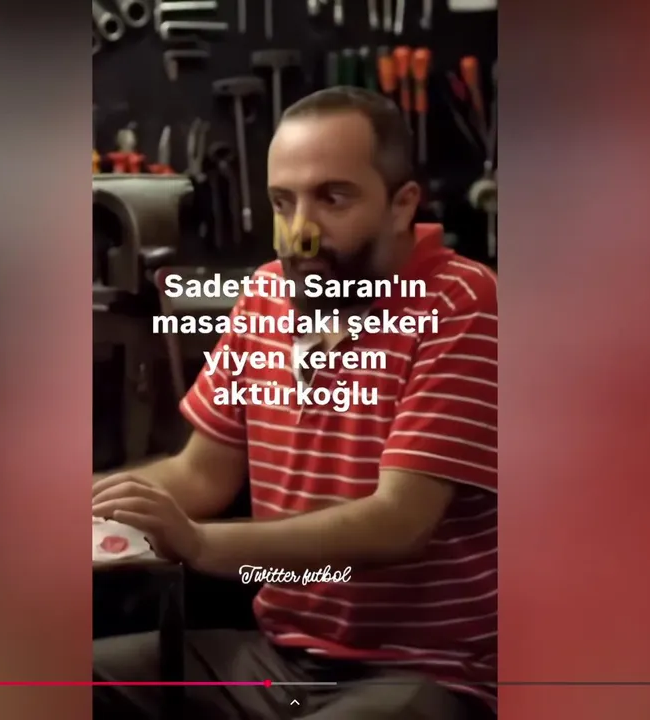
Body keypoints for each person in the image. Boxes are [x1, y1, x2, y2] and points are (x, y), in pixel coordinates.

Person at [92, 86, 499, 719]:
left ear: (402, 206)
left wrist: (200, 544)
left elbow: (399, 522)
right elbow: (201, 473)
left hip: (425, 672)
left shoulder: (462, 303)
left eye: (332, 198)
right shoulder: (268, 295)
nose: (299, 232)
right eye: (283, 202)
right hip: (277, 659)